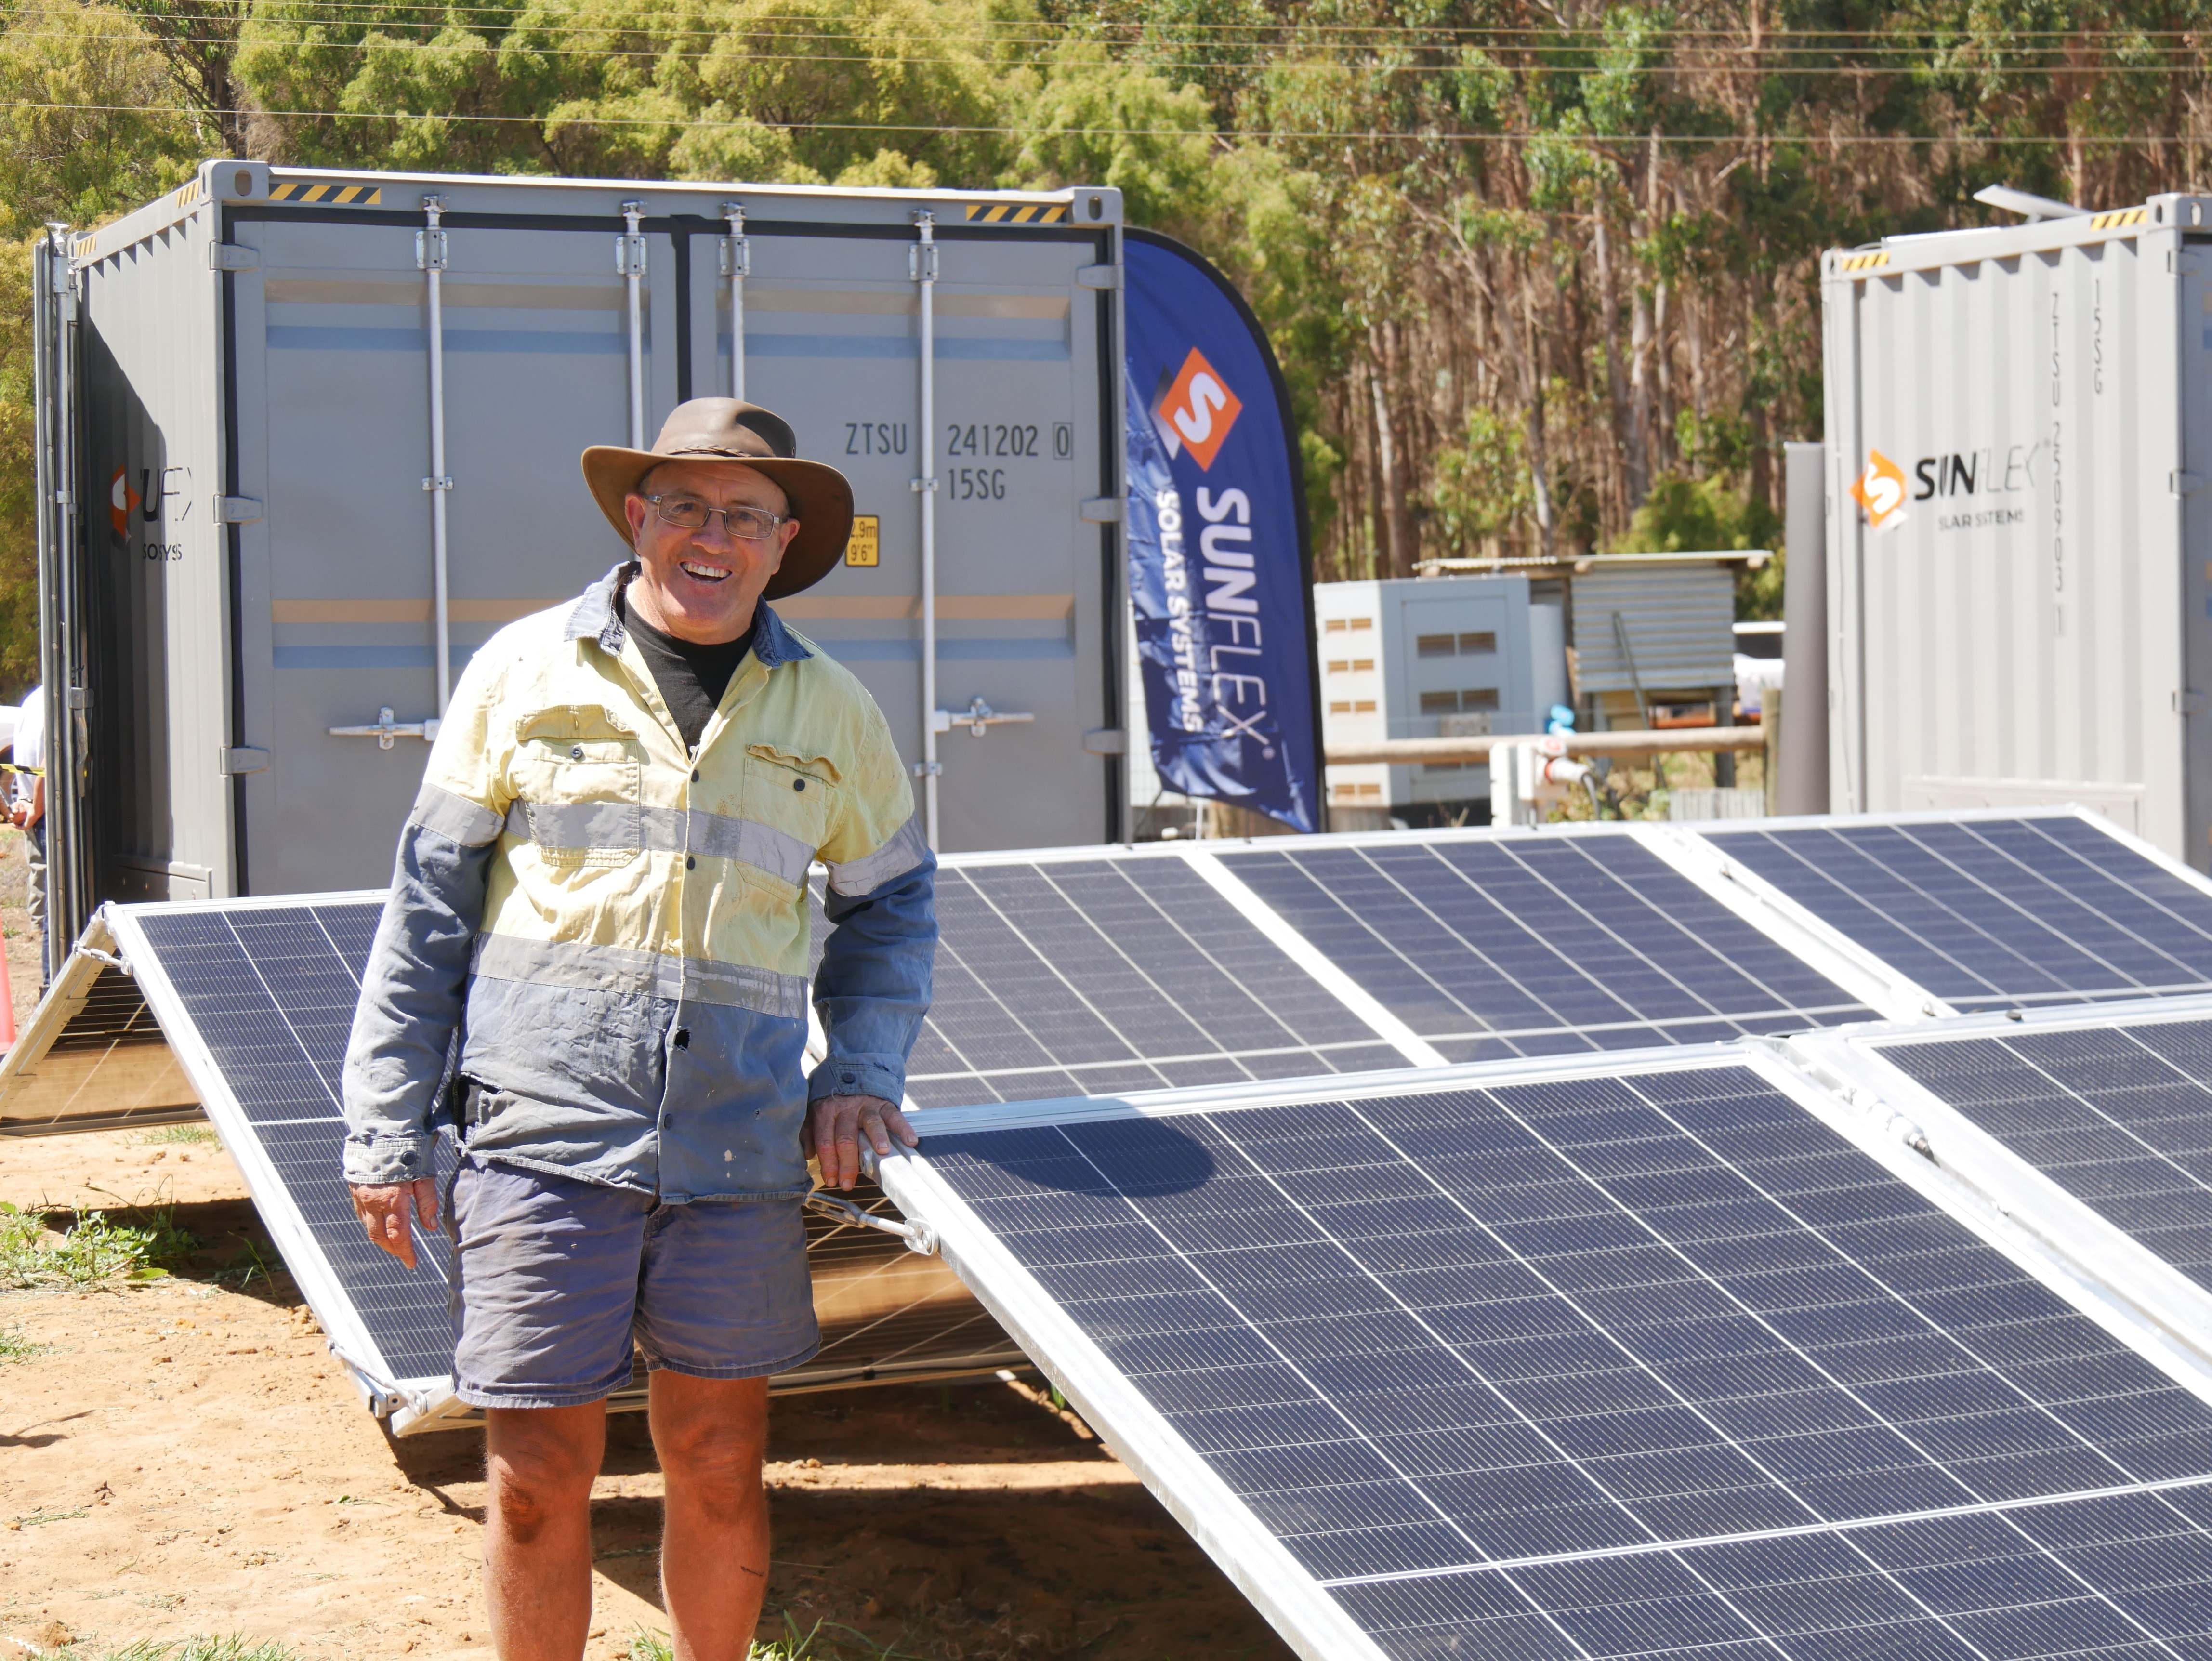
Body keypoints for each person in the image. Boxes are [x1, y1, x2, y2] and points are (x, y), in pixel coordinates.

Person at [340, 400, 935, 1661]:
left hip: (735, 1151)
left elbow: (893, 909)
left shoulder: (832, 713)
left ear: (784, 544)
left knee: (719, 1463)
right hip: (543, 1137)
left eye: (743, 516)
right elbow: (429, 910)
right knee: (535, 1476)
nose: (710, 537)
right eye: (684, 506)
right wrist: (388, 1127)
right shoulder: (520, 672)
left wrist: (862, 1073)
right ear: (636, 518)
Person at [11, 684, 45, 991]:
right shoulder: (49, 700)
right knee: (45, 868)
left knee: (38, 867)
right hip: (41, 803)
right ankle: (42, 925)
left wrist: (22, 800)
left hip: (30, 799)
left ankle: (37, 923)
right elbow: (46, 766)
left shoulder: (32, 700)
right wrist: (35, 804)